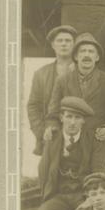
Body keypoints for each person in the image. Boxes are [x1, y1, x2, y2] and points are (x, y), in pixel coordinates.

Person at [45, 32, 105, 137]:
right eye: (82, 51)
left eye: (91, 51)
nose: (86, 55)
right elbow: (53, 114)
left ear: (97, 57)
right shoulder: (62, 80)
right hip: (71, 139)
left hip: (98, 140)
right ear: (75, 56)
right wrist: (52, 127)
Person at [27, 24, 76, 156]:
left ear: (74, 44)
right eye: (59, 41)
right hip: (51, 133)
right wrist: (41, 131)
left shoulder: (82, 70)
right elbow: (33, 105)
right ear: (53, 45)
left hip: (76, 132)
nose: (64, 44)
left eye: (68, 41)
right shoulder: (41, 74)